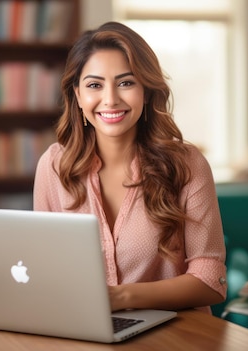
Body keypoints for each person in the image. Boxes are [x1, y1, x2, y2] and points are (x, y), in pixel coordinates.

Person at [33, 21, 227, 314]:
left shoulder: (187, 165)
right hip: (84, 333)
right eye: (94, 85)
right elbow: (44, 267)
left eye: (126, 82)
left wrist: (121, 298)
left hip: (176, 336)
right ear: (77, 95)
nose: (110, 99)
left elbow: (211, 279)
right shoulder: (53, 166)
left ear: (147, 92)